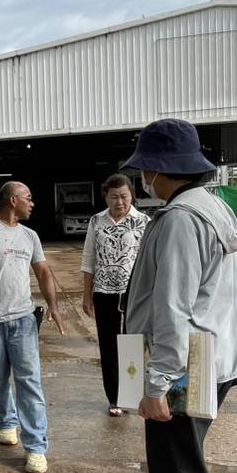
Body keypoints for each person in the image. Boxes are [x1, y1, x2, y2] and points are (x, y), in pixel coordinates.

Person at [118, 119, 237, 473]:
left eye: (145, 169)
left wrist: (157, 383)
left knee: (181, 469)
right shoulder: (207, 205)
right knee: (165, 458)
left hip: (187, 363)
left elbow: (175, 309)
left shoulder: (179, 220)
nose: (142, 178)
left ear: (158, 168)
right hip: (209, 354)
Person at [0, 181, 64, 473]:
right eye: (28, 198)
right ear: (12, 200)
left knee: (29, 380)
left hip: (23, 318)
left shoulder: (30, 236)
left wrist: (54, 306)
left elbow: (43, 272)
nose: (32, 203)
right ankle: (6, 422)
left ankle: (36, 447)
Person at [81, 173, 150, 416]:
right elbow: (88, 259)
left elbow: (149, 260)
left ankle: (132, 395)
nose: (119, 202)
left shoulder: (144, 222)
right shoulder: (96, 221)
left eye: (124, 196)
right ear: (105, 197)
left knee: (132, 343)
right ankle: (115, 398)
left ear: (132, 195)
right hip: (104, 292)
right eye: (114, 197)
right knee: (109, 346)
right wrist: (87, 295)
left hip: (134, 293)